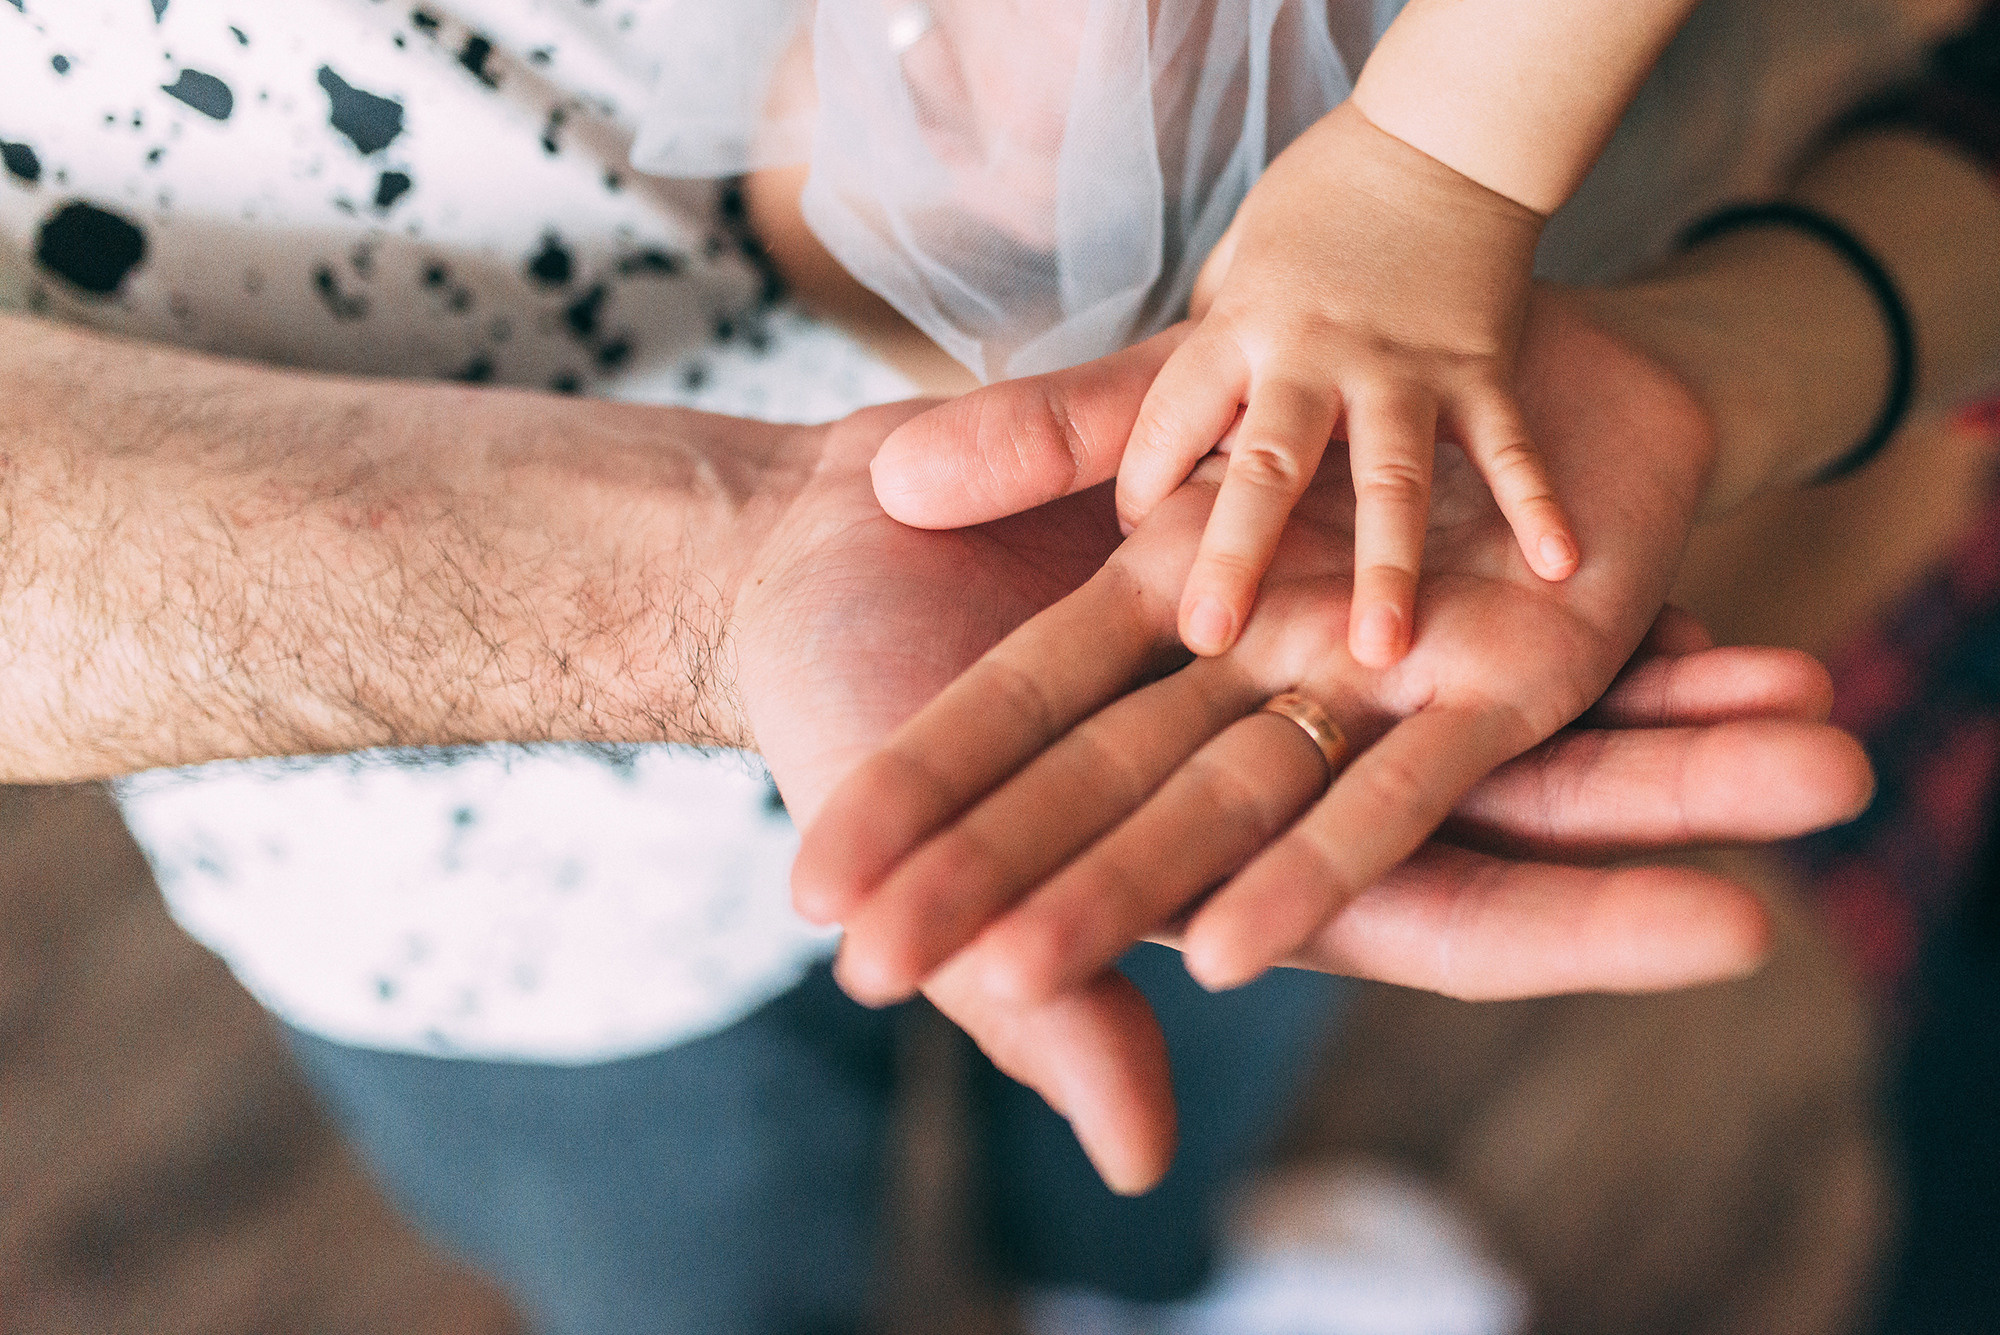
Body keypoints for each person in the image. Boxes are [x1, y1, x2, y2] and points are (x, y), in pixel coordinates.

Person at [0, 1, 1962, 1333]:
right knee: (685, 1250)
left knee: (1196, 1027)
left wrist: (1457, 175)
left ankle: (1140, 1286)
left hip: (1238, 566)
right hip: (455, 859)